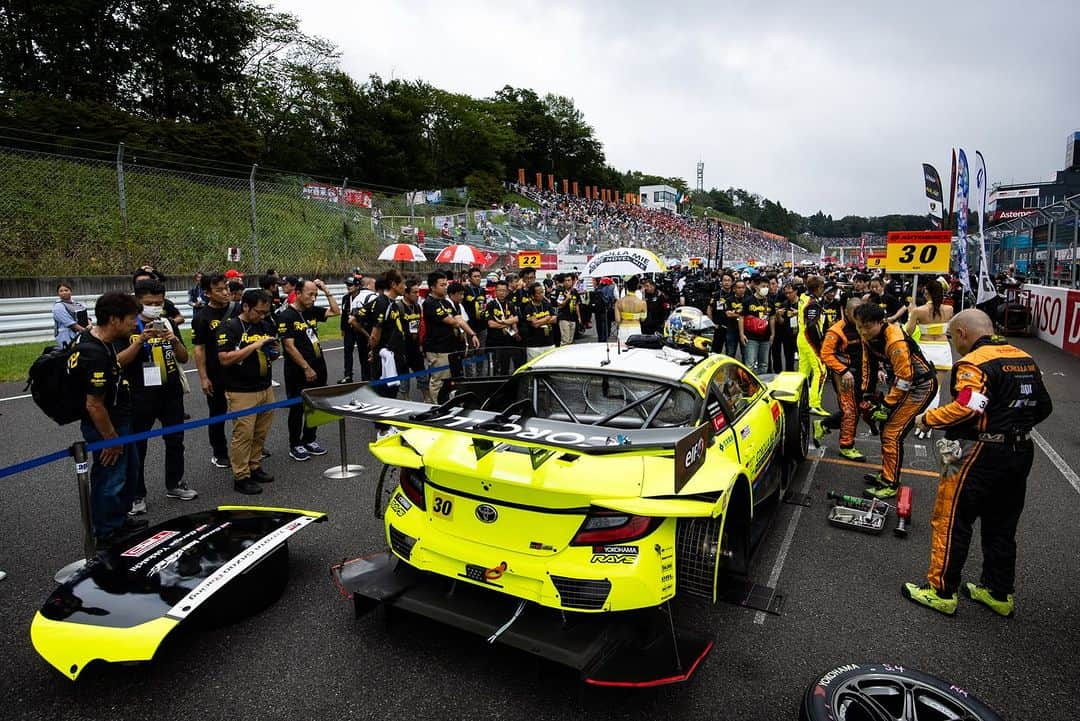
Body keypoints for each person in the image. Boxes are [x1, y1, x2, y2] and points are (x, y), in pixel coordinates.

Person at [903, 309, 1052, 617]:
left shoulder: (974, 362)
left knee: (952, 519)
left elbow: (968, 407)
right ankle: (998, 592)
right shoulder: (1023, 356)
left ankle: (941, 591)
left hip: (980, 453)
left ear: (962, 334)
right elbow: (1044, 406)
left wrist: (927, 418)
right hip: (1020, 452)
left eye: (952, 337)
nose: (954, 344)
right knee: (1001, 525)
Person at [72, 291, 144, 547]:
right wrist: (110, 438)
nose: (135, 324)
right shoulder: (93, 353)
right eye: (131, 319)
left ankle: (120, 519)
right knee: (111, 477)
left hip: (122, 419)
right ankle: (105, 532)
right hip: (106, 427)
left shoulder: (101, 341)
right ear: (114, 319)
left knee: (129, 471)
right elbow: (94, 404)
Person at [119, 279, 195, 515]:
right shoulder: (128, 327)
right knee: (137, 446)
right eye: (149, 303)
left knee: (175, 441)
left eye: (159, 302)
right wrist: (141, 340)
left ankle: (175, 483)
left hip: (170, 392)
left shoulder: (168, 323)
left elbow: (184, 358)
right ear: (138, 302)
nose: (154, 307)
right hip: (140, 394)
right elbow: (118, 361)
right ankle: (136, 494)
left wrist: (173, 341)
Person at [853, 302, 937, 499]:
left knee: (892, 433)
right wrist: (866, 394)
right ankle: (886, 474)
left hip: (920, 387)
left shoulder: (895, 340)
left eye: (867, 326)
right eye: (859, 326)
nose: (862, 331)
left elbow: (905, 379)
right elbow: (868, 366)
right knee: (886, 429)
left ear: (880, 322)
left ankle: (891, 483)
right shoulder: (868, 337)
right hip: (903, 385)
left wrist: (887, 404)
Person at [217, 289, 279, 494]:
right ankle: (241, 475)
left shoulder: (265, 324)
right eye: (258, 312)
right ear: (245, 307)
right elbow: (224, 358)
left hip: (265, 386)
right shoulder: (230, 327)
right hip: (241, 390)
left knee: (260, 432)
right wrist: (255, 345)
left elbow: (271, 352)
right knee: (243, 434)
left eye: (265, 312)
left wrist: (272, 350)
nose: (262, 316)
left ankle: (255, 465)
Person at [277, 278, 339, 461]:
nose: (313, 298)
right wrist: (306, 367)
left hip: (319, 364)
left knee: (315, 405)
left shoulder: (312, 311)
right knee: (297, 407)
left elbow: (336, 311)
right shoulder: (286, 316)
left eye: (315, 295)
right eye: (310, 294)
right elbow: (288, 346)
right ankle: (295, 444)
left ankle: (310, 438)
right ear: (297, 292)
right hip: (298, 370)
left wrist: (326, 289)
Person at [191, 273, 239, 469]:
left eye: (226, 287)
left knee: (244, 412)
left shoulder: (237, 310)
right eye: (219, 290)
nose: (225, 292)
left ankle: (246, 448)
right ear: (207, 293)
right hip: (215, 372)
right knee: (218, 413)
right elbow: (199, 348)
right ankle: (219, 452)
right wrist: (203, 377)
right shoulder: (203, 317)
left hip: (238, 370)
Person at [815, 299, 870, 462]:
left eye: (861, 312)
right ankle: (846, 446)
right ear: (846, 311)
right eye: (855, 312)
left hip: (863, 374)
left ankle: (823, 425)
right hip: (843, 377)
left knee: (858, 409)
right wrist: (843, 371)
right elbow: (825, 354)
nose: (858, 316)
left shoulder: (864, 325)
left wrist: (879, 367)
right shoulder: (836, 331)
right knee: (849, 411)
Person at [422, 271, 478, 403]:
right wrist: (457, 321)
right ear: (432, 287)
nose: (445, 287)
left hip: (450, 347)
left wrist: (472, 334)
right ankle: (436, 406)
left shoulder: (446, 303)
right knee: (439, 380)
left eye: (446, 284)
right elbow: (452, 321)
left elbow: (460, 319)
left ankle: (446, 403)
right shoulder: (430, 303)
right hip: (437, 348)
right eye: (442, 285)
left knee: (450, 379)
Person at [905, 279, 954, 408]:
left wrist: (911, 315)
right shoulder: (949, 309)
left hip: (926, 349)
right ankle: (928, 423)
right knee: (937, 388)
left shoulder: (919, 311)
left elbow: (908, 332)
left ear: (926, 293)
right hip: (943, 349)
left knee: (925, 388)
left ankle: (921, 419)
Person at [368, 270, 407, 398]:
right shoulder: (382, 303)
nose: (405, 287)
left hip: (395, 355)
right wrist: (373, 350)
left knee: (393, 391)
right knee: (384, 394)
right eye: (403, 284)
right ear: (393, 285)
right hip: (384, 358)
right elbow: (374, 333)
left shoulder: (393, 304)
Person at [798, 276, 829, 417]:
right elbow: (812, 325)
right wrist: (820, 342)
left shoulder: (803, 297)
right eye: (822, 287)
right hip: (810, 340)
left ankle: (800, 400)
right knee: (821, 371)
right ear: (817, 288)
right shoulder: (812, 303)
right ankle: (814, 403)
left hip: (801, 338)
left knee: (803, 373)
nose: (823, 290)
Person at [396, 278, 426, 399]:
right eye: (414, 292)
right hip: (403, 348)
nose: (417, 295)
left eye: (418, 292)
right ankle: (406, 401)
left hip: (415, 348)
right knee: (404, 380)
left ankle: (428, 400)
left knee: (423, 376)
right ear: (406, 293)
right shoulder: (399, 307)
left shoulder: (418, 307)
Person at [486, 279, 520, 376]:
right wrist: (507, 323)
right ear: (495, 291)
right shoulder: (491, 305)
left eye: (504, 290)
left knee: (506, 367)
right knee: (495, 368)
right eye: (500, 290)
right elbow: (491, 324)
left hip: (508, 341)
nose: (502, 293)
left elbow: (516, 319)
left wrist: (514, 330)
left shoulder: (510, 304)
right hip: (495, 341)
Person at [742, 281, 774, 375]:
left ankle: (762, 385)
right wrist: (741, 334)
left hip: (766, 337)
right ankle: (749, 386)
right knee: (750, 364)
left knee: (764, 364)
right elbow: (741, 317)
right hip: (751, 337)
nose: (766, 288)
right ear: (756, 287)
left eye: (767, 286)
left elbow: (772, 318)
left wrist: (772, 334)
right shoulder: (748, 301)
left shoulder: (770, 302)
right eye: (763, 286)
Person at [520, 281, 557, 359]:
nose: (542, 295)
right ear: (532, 296)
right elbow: (535, 324)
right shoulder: (528, 308)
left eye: (542, 292)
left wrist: (540, 321)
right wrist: (547, 318)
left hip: (549, 343)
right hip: (534, 346)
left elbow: (554, 319)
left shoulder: (547, 304)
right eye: (539, 293)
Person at [462, 267, 488, 375]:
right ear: (469, 278)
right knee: (470, 352)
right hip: (470, 326)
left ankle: (479, 374)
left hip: (481, 326)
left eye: (479, 276)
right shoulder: (465, 290)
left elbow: (484, 305)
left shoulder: (482, 290)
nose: (478, 279)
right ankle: (469, 375)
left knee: (480, 352)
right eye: (475, 276)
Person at [338, 277, 364, 383]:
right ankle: (348, 375)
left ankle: (365, 376)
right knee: (347, 351)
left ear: (357, 286)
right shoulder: (345, 298)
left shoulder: (363, 297)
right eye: (347, 285)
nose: (348, 287)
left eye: (350, 285)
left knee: (363, 352)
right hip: (349, 329)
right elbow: (344, 315)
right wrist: (342, 328)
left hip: (360, 329)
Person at [771, 283, 799, 372]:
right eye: (786, 293)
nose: (788, 295)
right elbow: (781, 322)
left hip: (800, 335)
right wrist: (778, 315)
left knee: (803, 359)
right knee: (789, 359)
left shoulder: (802, 303)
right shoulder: (785, 303)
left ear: (796, 291)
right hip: (788, 335)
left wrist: (799, 312)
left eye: (790, 293)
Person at [53, 281, 90, 346]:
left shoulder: (77, 304)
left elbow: (87, 316)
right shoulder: (58, 306)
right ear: (58, 293)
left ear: (70, 291)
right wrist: (85, 331)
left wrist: (90, 325)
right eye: (61, 291)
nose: (64, 292)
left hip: (82, 333)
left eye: (66, 290)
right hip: (66, 335)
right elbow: (69, 323)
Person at [614, 276, 646, 345]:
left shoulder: (618, 302)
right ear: (637, 286)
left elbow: (618, 320)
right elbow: (643, 319)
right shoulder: (643, 303)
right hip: (636, 329)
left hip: (623, 329)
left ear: (626, 286)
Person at [554, 273, 581, 346]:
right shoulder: (560, 291)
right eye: (565, 280)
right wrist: (567, 298)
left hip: (573, 318)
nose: (567, 282)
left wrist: (579, 317)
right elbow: (560, 305)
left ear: (572, 281)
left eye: (569, 280)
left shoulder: (575, 291)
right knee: (565, 341)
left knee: (571, 341)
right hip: (564, 318)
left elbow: (577, 304)